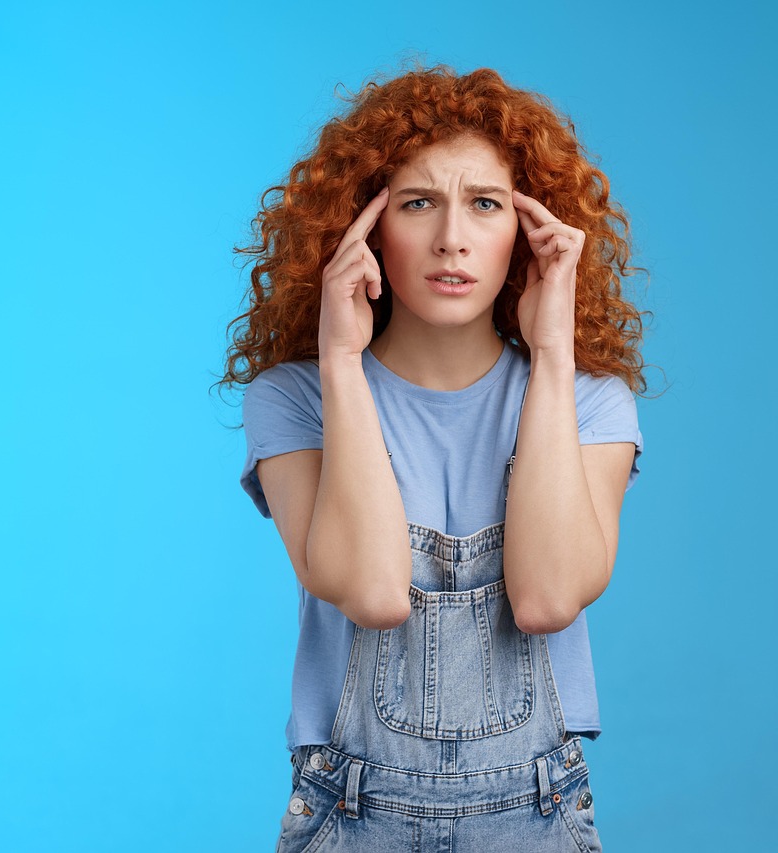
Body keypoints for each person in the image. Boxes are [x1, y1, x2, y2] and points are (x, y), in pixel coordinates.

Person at [221, 65, 647, 851]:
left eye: (485, 203)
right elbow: (374, 591)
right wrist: (342, 361)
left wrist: (552, 354)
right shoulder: (295, 399)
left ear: (526, 229)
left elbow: (549, 597)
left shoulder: (589, 402)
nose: (452, 236)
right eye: (418, 203)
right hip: (349, 814)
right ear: (366, 227)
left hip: (537, 813)